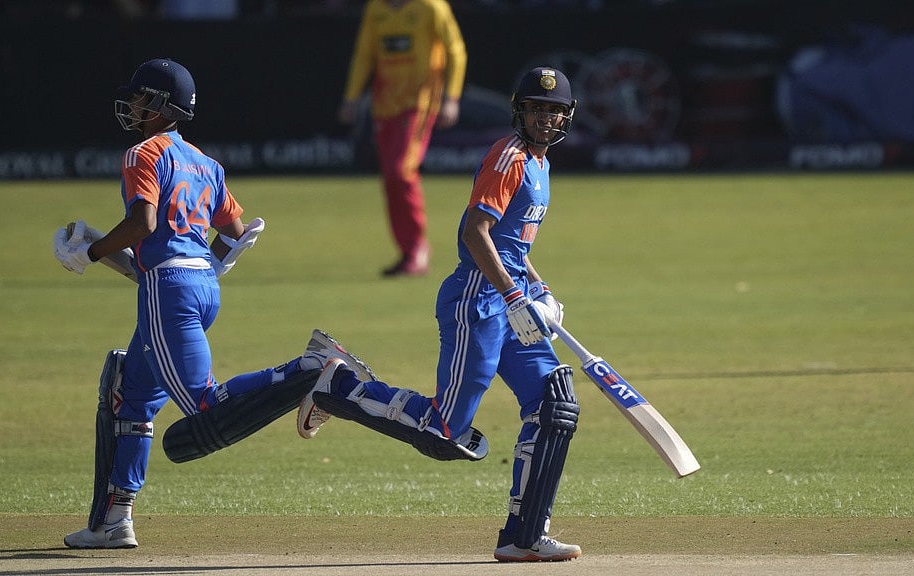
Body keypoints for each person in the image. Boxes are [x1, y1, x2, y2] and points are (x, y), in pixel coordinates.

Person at [53, 58, 374, 549]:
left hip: (168, 289)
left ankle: (312, 367)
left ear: (161, 104)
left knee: (205, 406)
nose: (134, 105)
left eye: (141, 97)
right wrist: (201, 262)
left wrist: (89, 252)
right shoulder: (206, 163)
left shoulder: (143, 152)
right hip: (204, 285)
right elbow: (236, 232)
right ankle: (116, 519)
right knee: (131, 393)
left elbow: (143, 223)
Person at [298, 67, 582, 562]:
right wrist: (517, 297)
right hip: (478, 301)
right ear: (520, 111)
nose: (546, 118)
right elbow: (476, 233)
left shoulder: (541, 164)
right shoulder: (508, 158)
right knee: (446, 431)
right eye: (538, 109)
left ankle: (524, 534)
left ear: (568, 117)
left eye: (555, 111)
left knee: (553, 404)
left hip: (508, 297)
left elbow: (513, 244)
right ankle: (336, 386)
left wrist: (540, 287)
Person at [338, 0, 467, 277]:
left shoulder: (430, 7)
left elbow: (455, 50)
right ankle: (409, 250)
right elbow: (364, 54)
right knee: (390, 178)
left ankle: (417, 248)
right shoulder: (376, 8)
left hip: (418, 102)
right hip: (385, 105)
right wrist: (352, 97)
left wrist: (451, 98)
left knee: (400, 172)